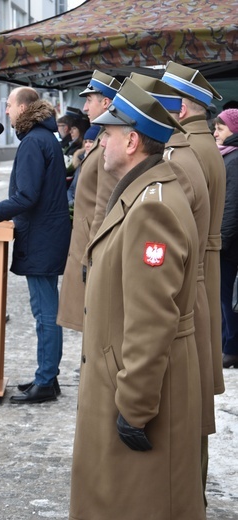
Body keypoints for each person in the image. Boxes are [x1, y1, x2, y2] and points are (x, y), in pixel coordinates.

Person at [69, 78, 205, 520]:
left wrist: (134, 408)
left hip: (135, 392)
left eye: (106, 133)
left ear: (131, 141)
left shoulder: (152, 206)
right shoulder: (143, 193)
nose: (98, 139)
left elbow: (151, 321)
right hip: (122, 379)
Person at [0, 86, 71, 404]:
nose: (5, 111)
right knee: (45, 309)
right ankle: (47, 376)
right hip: (45, 235)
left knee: (45, 312)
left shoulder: (34, 141)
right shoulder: (41, 138)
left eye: (8, 105)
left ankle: (46, 380)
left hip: (42, 238)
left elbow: (25, 197)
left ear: (22, 108)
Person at [129, 73, 215, 442]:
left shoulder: (178, 160)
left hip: (184, 292)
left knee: (183, 433)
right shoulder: (188, 151)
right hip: (193, 285)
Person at [161, 61, 226, 500]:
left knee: (188, 404)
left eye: (165, 101)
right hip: (204, 277)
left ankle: (189, 492)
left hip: (193, 281)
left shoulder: (188, 154)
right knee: (196, 399)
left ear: (182, 108)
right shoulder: (202, 146)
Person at [57, 70, 121, 332]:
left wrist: (91, 256)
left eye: (90, 100)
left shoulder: (108, 141)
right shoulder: (101, 138)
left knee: (95, 321)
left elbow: (104, 205)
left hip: (90, 244)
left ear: (106, 102)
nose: (85, 107)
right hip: (84, 240)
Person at [213, 109, 238, 368]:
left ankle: (231, 348)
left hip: (230, 244)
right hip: (230, 240)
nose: (215, 133)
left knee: (228, 297)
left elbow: (231, 205)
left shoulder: (234, 159)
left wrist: (221, 241)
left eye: (220, 129)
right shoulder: (228, 156)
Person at [67, 125, 101, 206]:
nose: (87, 145)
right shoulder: (80, 161)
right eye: (86, 141)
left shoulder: (99, 163)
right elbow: (71, 188)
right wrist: (71, 201)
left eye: (91, 141)